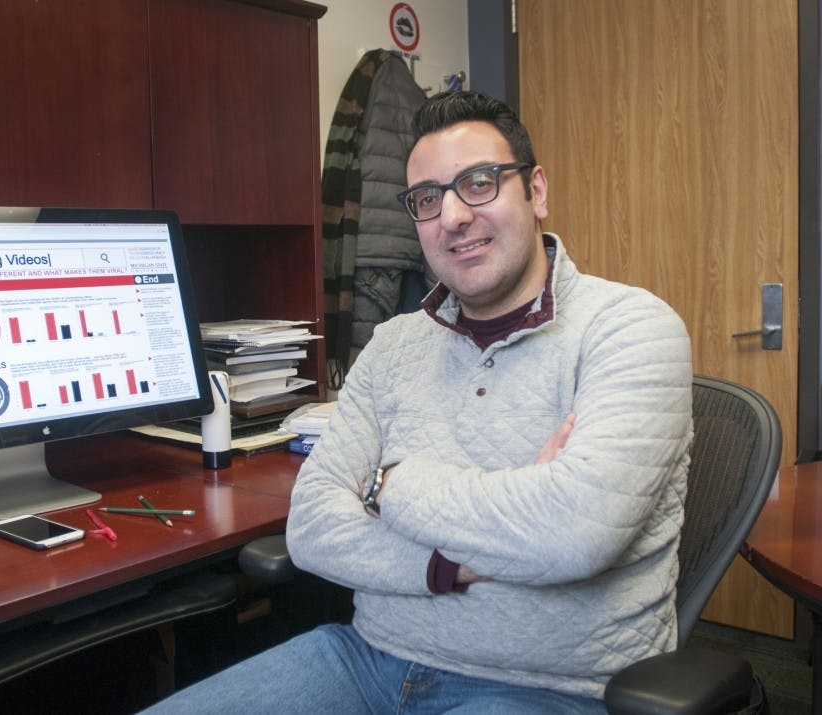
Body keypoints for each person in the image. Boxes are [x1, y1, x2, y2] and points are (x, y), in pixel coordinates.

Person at [142, 91, 692, 714]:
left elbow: (575, 534)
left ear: (536, 191)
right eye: (427, 199)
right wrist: (451, 563)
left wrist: (388, 486)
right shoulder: (395, 344)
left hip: (547, 688)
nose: (452, 216)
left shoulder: (630, 328)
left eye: (478, 183)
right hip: (366, 660)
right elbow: (313, 527)